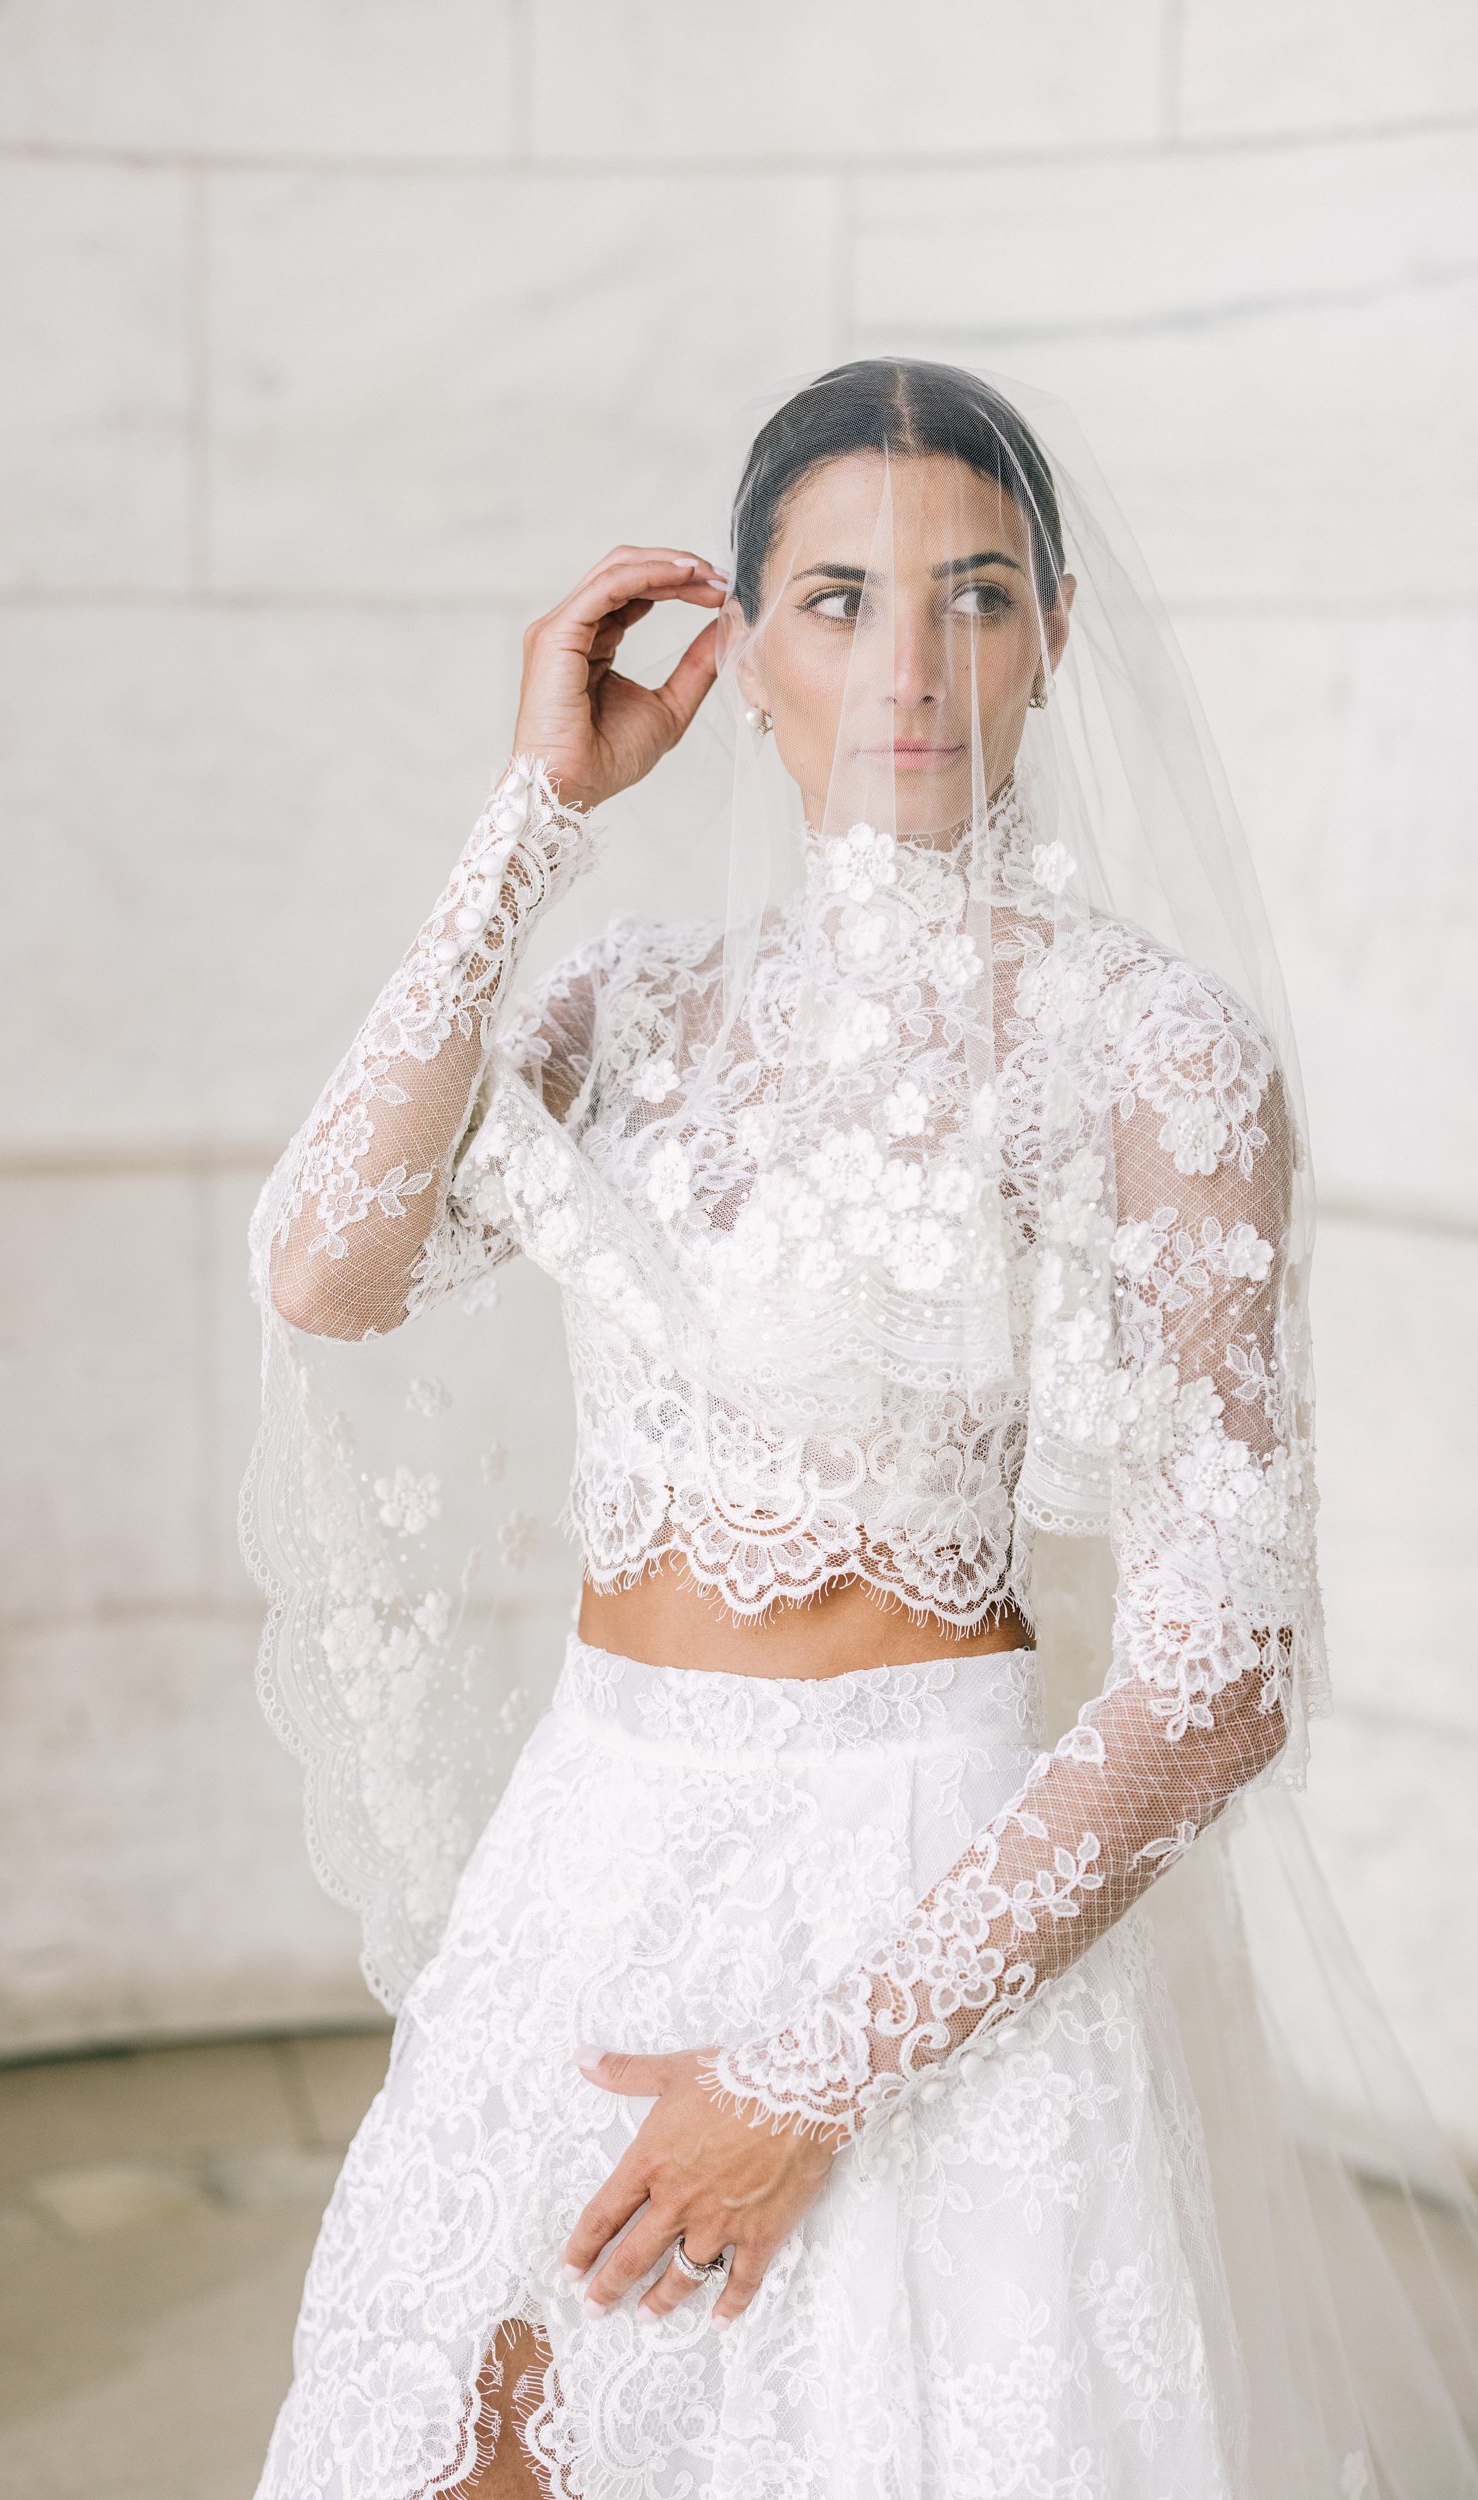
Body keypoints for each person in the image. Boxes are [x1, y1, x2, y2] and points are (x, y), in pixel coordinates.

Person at [241, 361, 1478, 2496]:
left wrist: (811, 2075)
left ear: (1056, 635)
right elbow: (325, 1260)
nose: (910, 665)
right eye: (836, 600)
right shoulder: (628, 1004)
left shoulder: (1148, 1049)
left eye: (975, 596)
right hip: (591, 1841)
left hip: (911, 1896)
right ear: (734, 651)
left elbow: (1225, 1670)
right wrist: (534, 812)